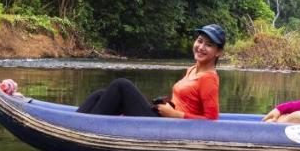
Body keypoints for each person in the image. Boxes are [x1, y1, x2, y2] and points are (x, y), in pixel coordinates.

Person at [76, 24, 224, 120]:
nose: (201, 47)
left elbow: (211, 120)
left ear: (218, 52)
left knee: (121, 85)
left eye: (209, 45)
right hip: (164, 117)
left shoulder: (208, 79)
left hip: (170, 126)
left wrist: (176, 114)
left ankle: (88, 125)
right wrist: (168, 105)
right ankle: (75, 121)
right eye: (199, 41)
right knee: (100, 94)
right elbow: (185, 102)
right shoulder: (192, 69)